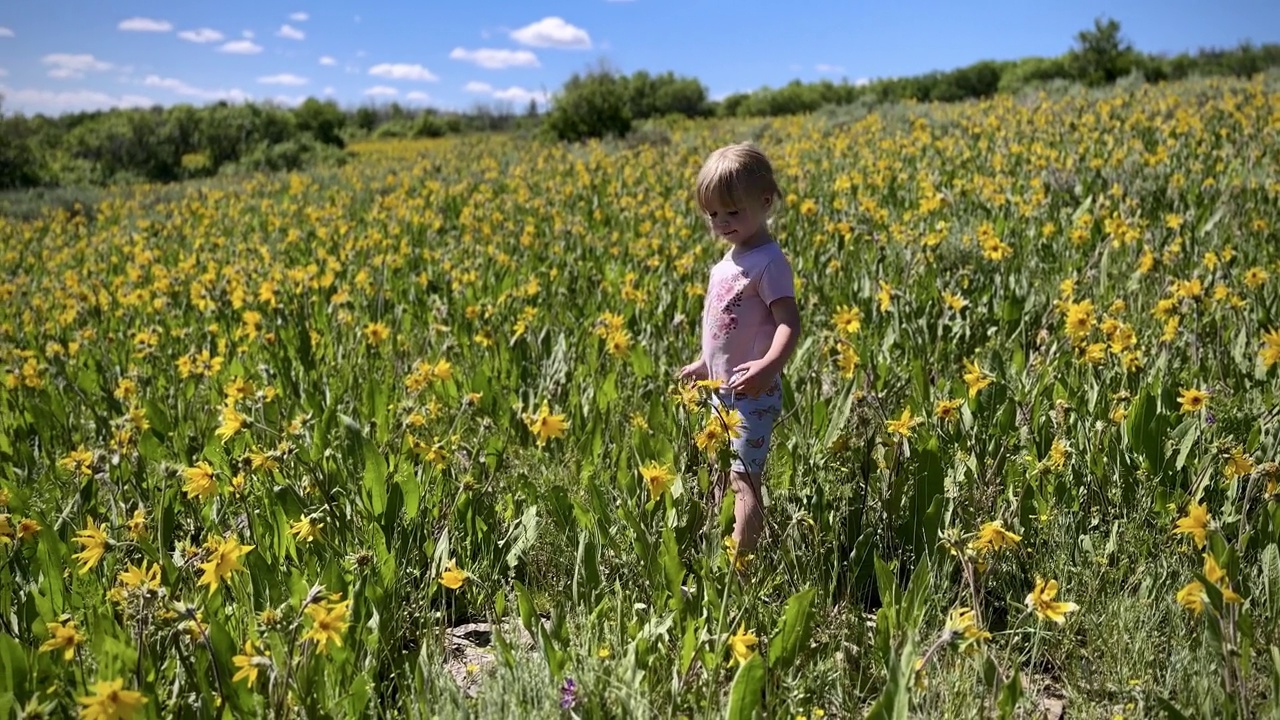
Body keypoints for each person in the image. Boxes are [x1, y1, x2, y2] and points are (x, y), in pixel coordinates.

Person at [679, 142, 801, 558]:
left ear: (765, 202)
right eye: (713, 214)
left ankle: (741, 566)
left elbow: (789, 322)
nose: (722, 222)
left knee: (743, 480)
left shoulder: (769, 262)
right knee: (719, 475)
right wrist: (704, 363)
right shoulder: (728, 263)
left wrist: (769, 366)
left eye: (733, 212)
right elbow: (722, 327)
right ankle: (721, 551)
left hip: (753, 393)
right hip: (722, 388)